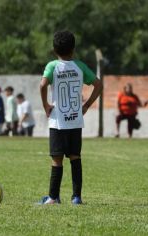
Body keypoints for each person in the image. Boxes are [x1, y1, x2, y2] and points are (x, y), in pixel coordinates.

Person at [39, 30, 102, 204]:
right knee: (75, 157)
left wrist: (45, 105)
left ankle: (53, 197)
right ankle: (76, 197)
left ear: (54, 49)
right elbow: (98, 84)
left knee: (56, 159)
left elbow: (43, 84)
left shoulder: (52, 66)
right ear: (73, 49)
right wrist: (87, 105)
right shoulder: (80, 66)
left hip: (58, 120)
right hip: (75, 119)